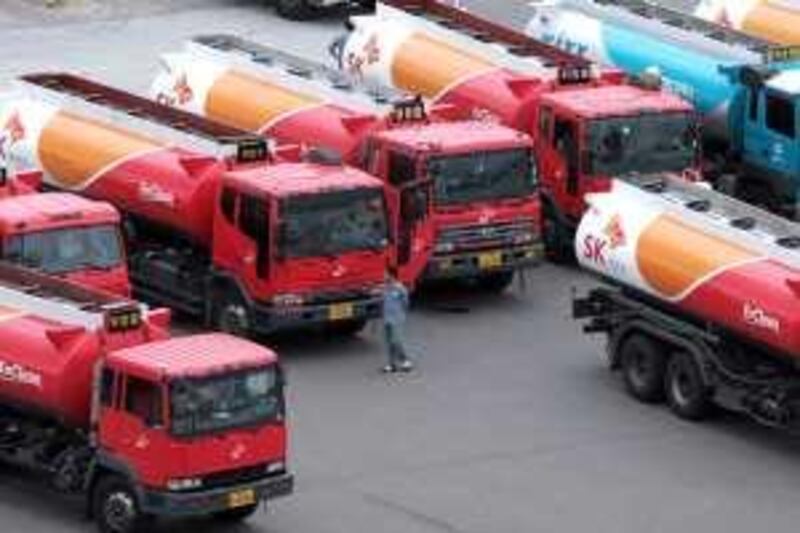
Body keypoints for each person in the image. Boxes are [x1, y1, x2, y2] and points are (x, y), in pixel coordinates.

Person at [382, 268, 413, 373]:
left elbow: (406, 303)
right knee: (389, 342)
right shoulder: (385, 288)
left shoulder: (400, 288)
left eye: (385, 274)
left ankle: (405, 361)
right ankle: (391, 364)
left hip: (397, 318)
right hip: (387, 318)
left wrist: (401, 314)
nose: (384, 276)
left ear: (392, 276)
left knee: (396, 341)